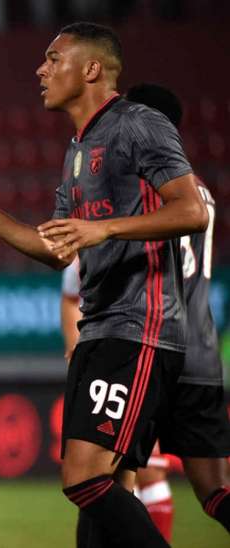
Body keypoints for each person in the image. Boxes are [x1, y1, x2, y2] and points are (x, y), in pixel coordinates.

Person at [0, 23, 210, 547]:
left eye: (52, 58)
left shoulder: (139, 123)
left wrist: (105, 227)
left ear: (90, 69)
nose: (40, 70)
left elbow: (191, 210)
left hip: (139, 328)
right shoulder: (78, 148)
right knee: (102, 488)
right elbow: (56, 247)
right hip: (101, 330)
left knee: (85, 479)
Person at [61, 83, 230, 544]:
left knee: (101, 478)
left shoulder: (135, 185)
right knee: (215, 492)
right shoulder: (200, 192)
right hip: (201, 352)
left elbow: (77, 280)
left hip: (150, 344)